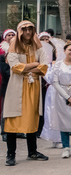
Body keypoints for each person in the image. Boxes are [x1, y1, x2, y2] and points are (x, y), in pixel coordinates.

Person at [3, 21, 49, 165]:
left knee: (31, 119)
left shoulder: (38, 48)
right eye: (25, 29)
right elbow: (16, 67)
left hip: (33, 87)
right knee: (13, 120)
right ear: (20, 31)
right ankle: (11, 154)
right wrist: (35, 64)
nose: (28, 32)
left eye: (30, 29)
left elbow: (44, 67)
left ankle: (32, 152)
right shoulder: (14, 48)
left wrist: (28, 68)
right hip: (17, 87)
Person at [47, 42, 71, 158]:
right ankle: (66, 147)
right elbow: (55, 82)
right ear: (64, 51)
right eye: (70, 50)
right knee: (63, 121)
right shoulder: (58, 65)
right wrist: (68, 97)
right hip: (62, 95)